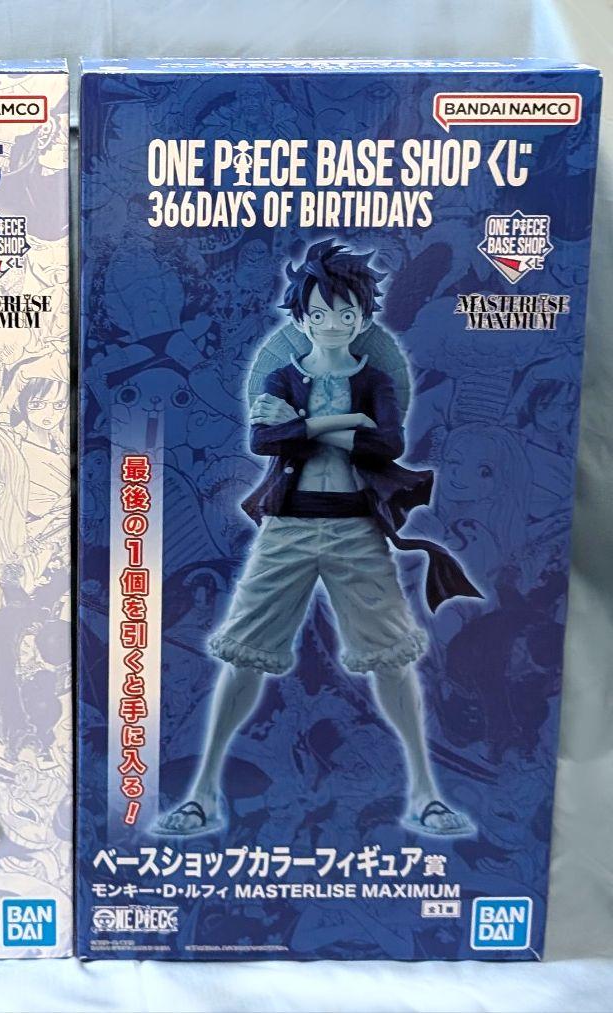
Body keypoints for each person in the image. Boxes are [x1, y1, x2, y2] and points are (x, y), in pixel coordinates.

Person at [158, 240, 480, 838]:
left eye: (346, 312)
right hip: (287, 529)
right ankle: (202, 793)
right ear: (301, 317)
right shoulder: (282, 374)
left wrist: (307, 428)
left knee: (391, 656)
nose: (333, 323)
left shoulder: (375, 379)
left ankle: (424, 792)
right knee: (245, 654)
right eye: (321, 312)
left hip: (358, 528)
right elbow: (264, 440)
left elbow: (387, 444)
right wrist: (341, 422)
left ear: (363, 318)